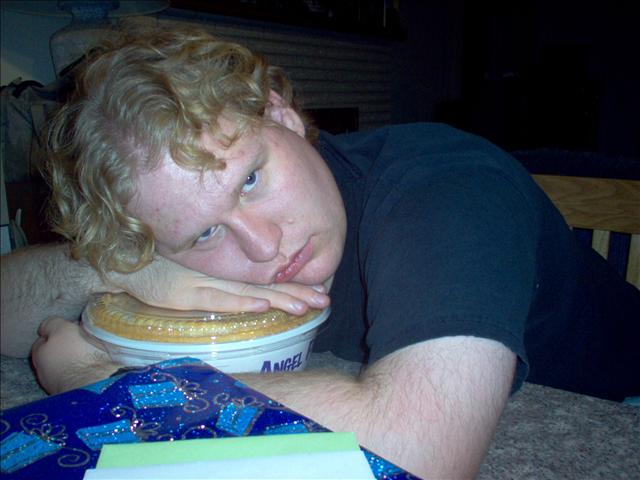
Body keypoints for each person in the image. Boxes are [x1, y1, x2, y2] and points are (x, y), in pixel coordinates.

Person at [1, 27, 638, 479]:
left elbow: (417, 454)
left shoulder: (447, 185)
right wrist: (118, 269)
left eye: (250, 179)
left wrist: (105, 382)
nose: (264, 244)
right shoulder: (188, 255)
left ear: (281, 114)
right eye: (203, 234)